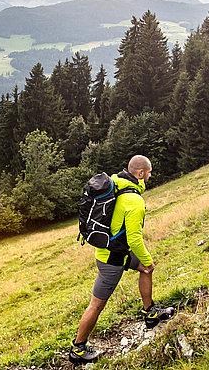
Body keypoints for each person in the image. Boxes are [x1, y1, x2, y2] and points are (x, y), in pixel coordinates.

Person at [68, 155, 175, 364]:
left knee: (145, 269)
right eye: (149, 172)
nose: (150, 176)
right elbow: (135, 238)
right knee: (97, 305)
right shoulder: (134, 201)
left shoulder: (116, 181)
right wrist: (148, 258)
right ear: (141, 173)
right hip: (111, 261)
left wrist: (145, 262)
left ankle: (150, 312)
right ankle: (78, 349)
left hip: (113, 252)